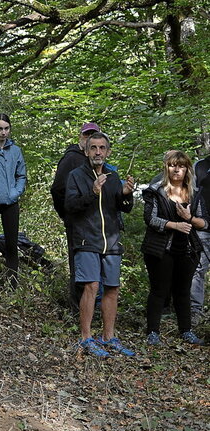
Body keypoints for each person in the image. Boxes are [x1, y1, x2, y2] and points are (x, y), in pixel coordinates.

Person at [65, 132, 135, 357]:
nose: (98, 152)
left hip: (111, 240)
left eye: (102, 148)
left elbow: (124, 208)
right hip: (87, 238)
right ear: (86, 150)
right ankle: (85, 338)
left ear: (108, 151)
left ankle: (109, 337)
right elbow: (71, 206)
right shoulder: (76, 175)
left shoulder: (113, 176)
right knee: (91, 286)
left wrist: (126, 194)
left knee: (112, 288)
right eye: (93, 147)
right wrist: (93, 192)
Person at [141, 150, 208, 345]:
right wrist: (175, 225)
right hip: (160, 248)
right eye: (172, 165)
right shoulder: (156, 191)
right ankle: (152, 332)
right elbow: (150, 218)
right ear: (166, 168)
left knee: (183, 291)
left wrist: (190, 219)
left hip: (187, 249)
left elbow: (205, 222)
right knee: (159, 291)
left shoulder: (195, 193)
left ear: (187, 169)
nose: (177, 169)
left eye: (181, 165)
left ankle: (186, 331)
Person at [50, 122, 100, 309]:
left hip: (97, 224)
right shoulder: (71, 159)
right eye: (87, 136)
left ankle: (92, 309)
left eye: (94, 136)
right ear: (81, 137)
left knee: (94, 269)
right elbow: (57, 190)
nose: (89, 140)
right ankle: (76, 310)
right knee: (79, 266)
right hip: (77, 222)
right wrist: (67, 214)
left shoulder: (96, 161)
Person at [0, 114, 26, 287]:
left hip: (10, 201)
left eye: (6, 128)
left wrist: (15, 193)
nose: (3, 132)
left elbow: (21, 174)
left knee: (11, 242)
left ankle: (12, 282)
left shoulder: (15, 151)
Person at [191, 153, 210, 326]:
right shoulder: (200, 166)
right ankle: (195, 311)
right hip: (203, 226)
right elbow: (190, 193)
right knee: (197, 269)